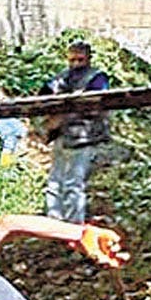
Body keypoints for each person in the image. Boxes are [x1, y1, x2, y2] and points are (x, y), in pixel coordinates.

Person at [40, 41, 111, 224]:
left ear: (88, 59)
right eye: (72, 60)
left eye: (80, 60)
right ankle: (53, 222)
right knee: (54, 183)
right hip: (62, 136)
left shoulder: (97, 78)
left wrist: (64, 116)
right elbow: (42, 96)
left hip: (84, 136)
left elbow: (96, 105)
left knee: (74, 184)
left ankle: (73, 226)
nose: (76, 64)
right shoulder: (62, 77)